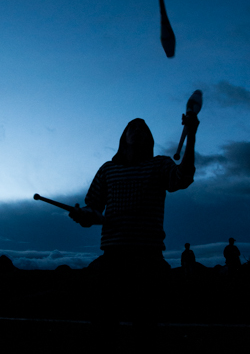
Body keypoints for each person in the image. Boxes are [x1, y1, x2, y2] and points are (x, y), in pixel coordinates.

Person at [70, 112, 199, 327]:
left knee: (146, 325)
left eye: (143, 128)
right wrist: (82, 214)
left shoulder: (159, 165)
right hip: (113, 256)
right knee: (103, 323)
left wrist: (191, 135)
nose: (138, 130)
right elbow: (92, 209)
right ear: (124, 137)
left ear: (150, 139)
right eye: (133, 127)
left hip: (148, 256)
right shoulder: (107, 169)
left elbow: (183, 178)